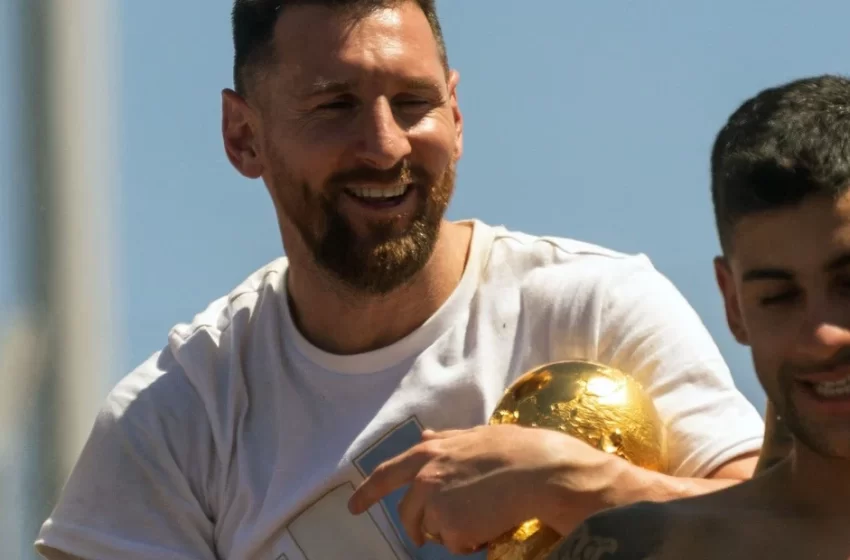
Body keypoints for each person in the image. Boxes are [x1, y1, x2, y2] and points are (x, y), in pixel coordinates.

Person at [34, 1, 765, 558]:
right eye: (335, 106)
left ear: (456, 112)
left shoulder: (596, 307)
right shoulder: (176, 419)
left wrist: (580, 486)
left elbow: (790, 533)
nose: (384, 147)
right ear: (243, 135)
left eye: (412, 104)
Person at [548, 74, 850, 560]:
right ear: (734, 306)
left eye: (848, 284)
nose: (822, 334)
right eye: (777, 297)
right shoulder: (635, 550)